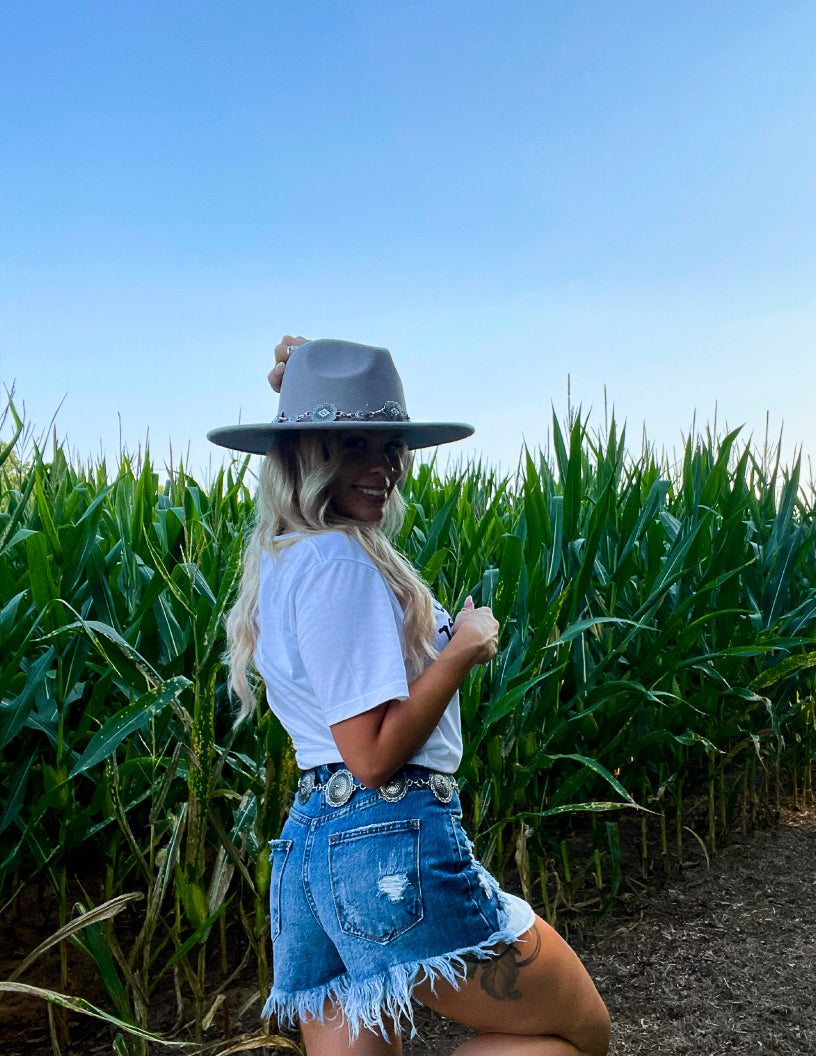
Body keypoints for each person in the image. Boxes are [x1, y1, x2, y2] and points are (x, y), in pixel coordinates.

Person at [208, 337, 610, 1056]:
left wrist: (307, 376)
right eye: (354, 443)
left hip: (311, 852)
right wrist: (460, 651)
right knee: (578, 1031)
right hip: (385, 839)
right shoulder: (338, 560)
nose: (383, 465)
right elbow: (370, 755)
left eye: (390, 444)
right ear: (308, 456)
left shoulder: (288, 558)